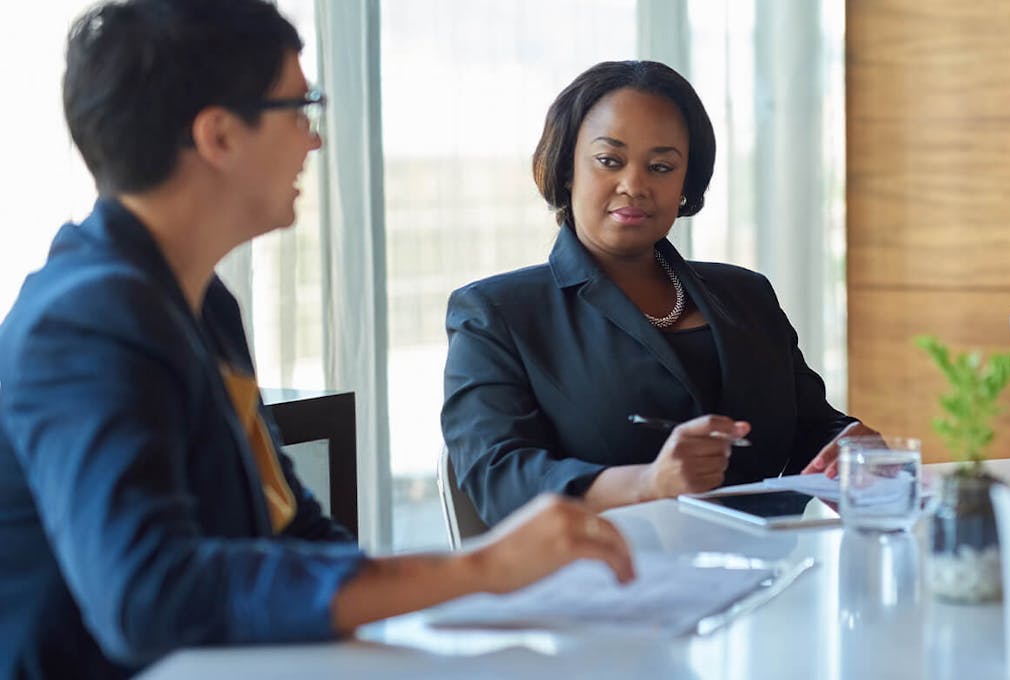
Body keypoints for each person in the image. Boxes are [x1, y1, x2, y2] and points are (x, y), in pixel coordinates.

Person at [0, 2, 632, 677]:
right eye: (301, 108)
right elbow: (150, 596)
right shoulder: (84, 322)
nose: (314, 140)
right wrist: (478, 566)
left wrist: (473, 596)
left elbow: (292, 530)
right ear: (218, 136)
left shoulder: (199, 299)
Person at [442, 60, 873, 524]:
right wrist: (648, 484)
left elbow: (810, 425)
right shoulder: (496, 314)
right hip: (603, 581)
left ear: (686, 183)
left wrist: (849, 444)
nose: (634, 185)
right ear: (567, 167)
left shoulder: (748, 295)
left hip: (775, 574)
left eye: (661, 166)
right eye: (609, 161)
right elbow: (498, 478)